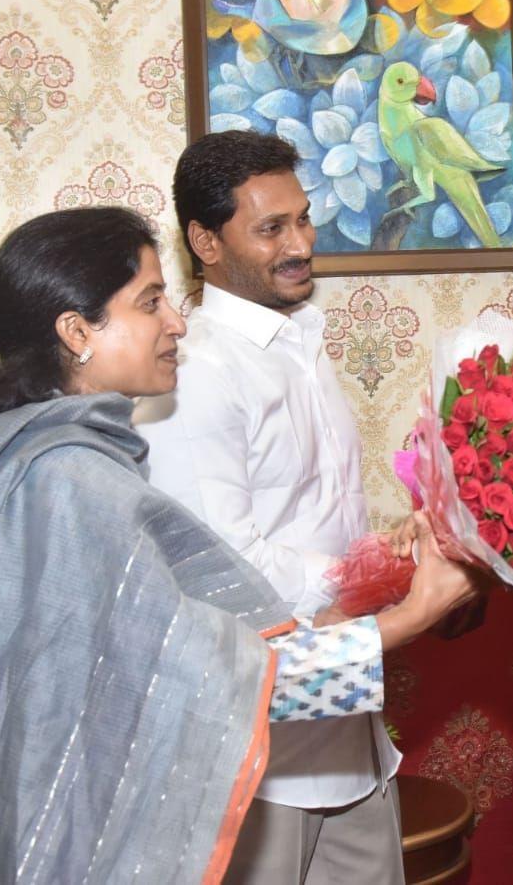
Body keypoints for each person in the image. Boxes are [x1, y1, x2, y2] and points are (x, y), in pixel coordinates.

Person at [0, 207, 475, 883]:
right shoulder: (65, 480)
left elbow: (169, 645)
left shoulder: (34, 453)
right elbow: (215, 684)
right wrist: (411, 617)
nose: (177, 321)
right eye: (150, 301)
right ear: (77, 331)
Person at [134, 131, 412, 885]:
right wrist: (376, 577)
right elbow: (224, 563)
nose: (300, 244)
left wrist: (405, 541)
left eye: (303, 219)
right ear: (204, 240)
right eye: (270, 228)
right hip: (256, 755)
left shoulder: (301, 342)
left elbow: (322, 516)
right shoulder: (194, 370)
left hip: (349, 726)